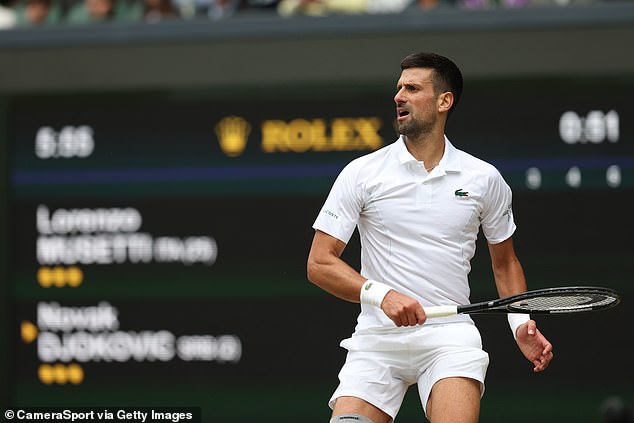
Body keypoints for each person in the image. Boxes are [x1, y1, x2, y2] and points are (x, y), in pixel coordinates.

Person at [307, 52, 554, 423]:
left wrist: (520, 324)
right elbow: (319, 263)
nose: (399, 96)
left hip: (449, 337)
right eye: (398, 88)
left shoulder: (484, 179)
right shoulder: (361, 173)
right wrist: (383, 296)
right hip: (377, 338)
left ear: (444, 101)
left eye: (412, 88)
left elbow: (505, 263)